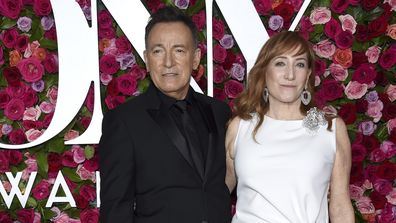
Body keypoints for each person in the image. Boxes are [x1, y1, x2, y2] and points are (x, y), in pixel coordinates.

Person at [99, 6, 231, 223]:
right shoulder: (125, 121)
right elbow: (116, 210)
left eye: (179, 50)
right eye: (158, 51)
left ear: (196, 58)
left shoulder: (219, 112)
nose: (168, 62)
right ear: (147, 59)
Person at [225, 31, 354, 223]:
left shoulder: (330, 129)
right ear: (264, 70)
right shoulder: (240, 127)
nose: (290, 74)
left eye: (299, 64)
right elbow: (216, 194)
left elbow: (340, 206)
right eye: (280, 63)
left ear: (308, 73)